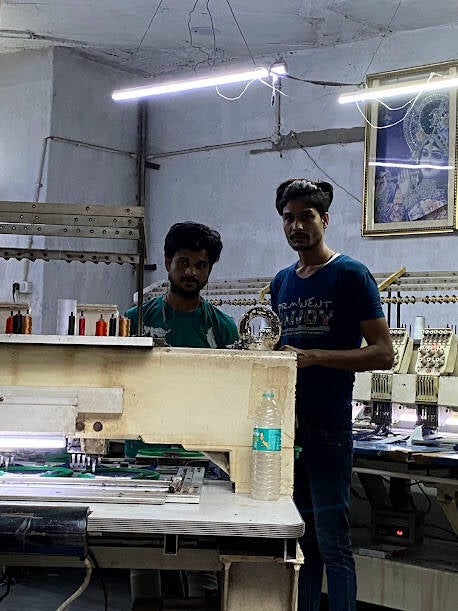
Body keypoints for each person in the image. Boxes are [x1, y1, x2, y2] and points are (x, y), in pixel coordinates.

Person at [270, 179, 394, 611]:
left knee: (334, 543)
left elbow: (384, 353)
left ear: (324, 219)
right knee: (301, 543)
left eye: (306, 216)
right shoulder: (281, 282)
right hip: (289, 433)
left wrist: (315, 357)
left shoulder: (350, 275)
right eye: (289, 218)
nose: (297, 226)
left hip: (329, 432)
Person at [126, 221, 239, 610]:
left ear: (209, 270)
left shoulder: (222, 329)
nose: (191, 272)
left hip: (203, 456)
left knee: (202, 547)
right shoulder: (135, 320)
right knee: (143, 548)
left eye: (201, 265)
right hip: (145, 451)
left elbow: (233, 394)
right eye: (184, 262)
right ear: (167, 262)